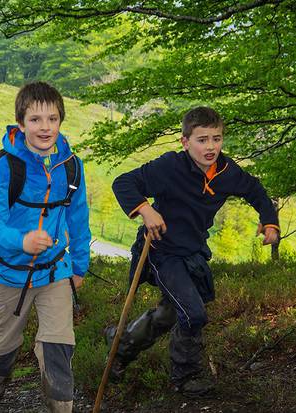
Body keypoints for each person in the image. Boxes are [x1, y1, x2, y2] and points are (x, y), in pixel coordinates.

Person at [107, 106, 280, 397]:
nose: (210, 146)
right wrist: (146, 210)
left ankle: (120, 346)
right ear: (185, 142)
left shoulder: (227, 171)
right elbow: (123, 183)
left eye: (217, 138)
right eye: (202, 139)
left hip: (194, 251)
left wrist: (270, 222)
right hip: (162, 250)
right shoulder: (169, 167)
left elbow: (255, 190)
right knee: (193, 314)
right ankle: (185, 377)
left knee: (172, 311)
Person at [0, 82, 91, 413]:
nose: (45, 127)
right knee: (0, 350)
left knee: (58, 350)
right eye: (35, 119)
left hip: (54, 274)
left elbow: (78, 220)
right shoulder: (6, 168)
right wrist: (21, 241)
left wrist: (79, 266)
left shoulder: (72, 166)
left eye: (52, 118)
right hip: (9, 276)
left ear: (61, 121)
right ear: (20, 124)